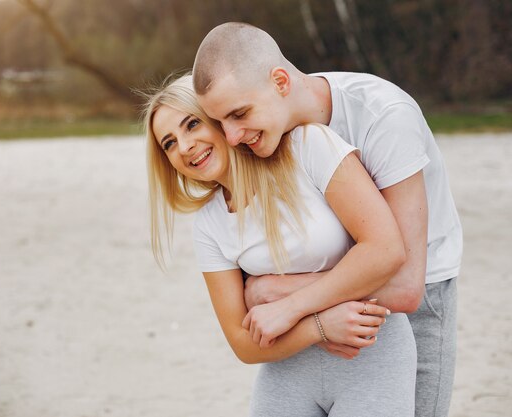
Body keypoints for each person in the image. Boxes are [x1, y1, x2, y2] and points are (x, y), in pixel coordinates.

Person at [193, 22, 462, 417]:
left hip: (419, 289)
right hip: (336, 293)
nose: (231, 137)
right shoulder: (273, 128)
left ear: (281, 81)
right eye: (221, 123)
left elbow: (404, 285)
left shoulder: (384, 117)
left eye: (239, 114)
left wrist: (281, 296)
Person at [142, 74, 416, 416]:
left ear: (220, 119)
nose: (184, 147)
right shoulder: (209, 225)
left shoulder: (308, 147)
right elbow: (243, 344)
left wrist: (287, 303)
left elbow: (385, 250)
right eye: (169, 143)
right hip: (286, 372)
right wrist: (319, 326)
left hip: (371, 355)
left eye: (192, 124)